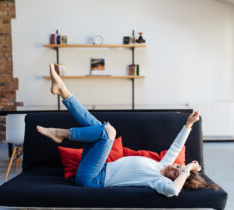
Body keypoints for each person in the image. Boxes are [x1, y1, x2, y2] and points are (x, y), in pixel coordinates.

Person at [37, 64, 218, 197]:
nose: (173, 167)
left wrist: (186, 169)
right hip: (96, 168)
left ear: (174, 179)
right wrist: (188, 124)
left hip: (91, 180)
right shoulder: (162, 165)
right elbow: (176, 148)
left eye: (175, 173)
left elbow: (173, 190)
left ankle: (60, 133)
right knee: (98, 127)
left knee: (109, 132)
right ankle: (63, 92)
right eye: (177, 166)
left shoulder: (160, 182)